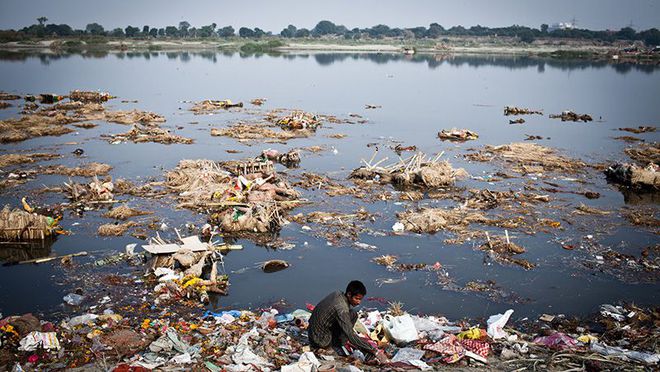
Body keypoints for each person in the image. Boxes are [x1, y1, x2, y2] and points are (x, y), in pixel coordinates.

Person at [308, 280, 388, 364]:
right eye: (356, 298)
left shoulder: (338, 294)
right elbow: (351, 335)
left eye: (360, 299)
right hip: (319, 338)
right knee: (349, 333)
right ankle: (336, 345)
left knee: (353, 314)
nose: (358, 302)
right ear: (349, 294)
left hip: (316, 330)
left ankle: (339, 342)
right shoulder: (341, 308)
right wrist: (375, 351)